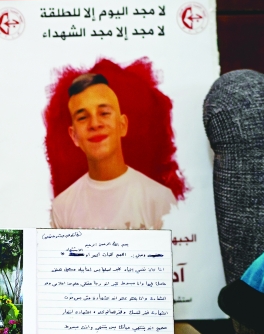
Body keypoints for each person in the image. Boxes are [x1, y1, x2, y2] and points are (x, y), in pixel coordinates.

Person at [51, 73, 177, 230]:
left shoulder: (159, 200)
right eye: (83, 117)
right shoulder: (62, 207)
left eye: (104, 113)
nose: (95, 124)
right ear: (74, 135)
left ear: (122, 125)